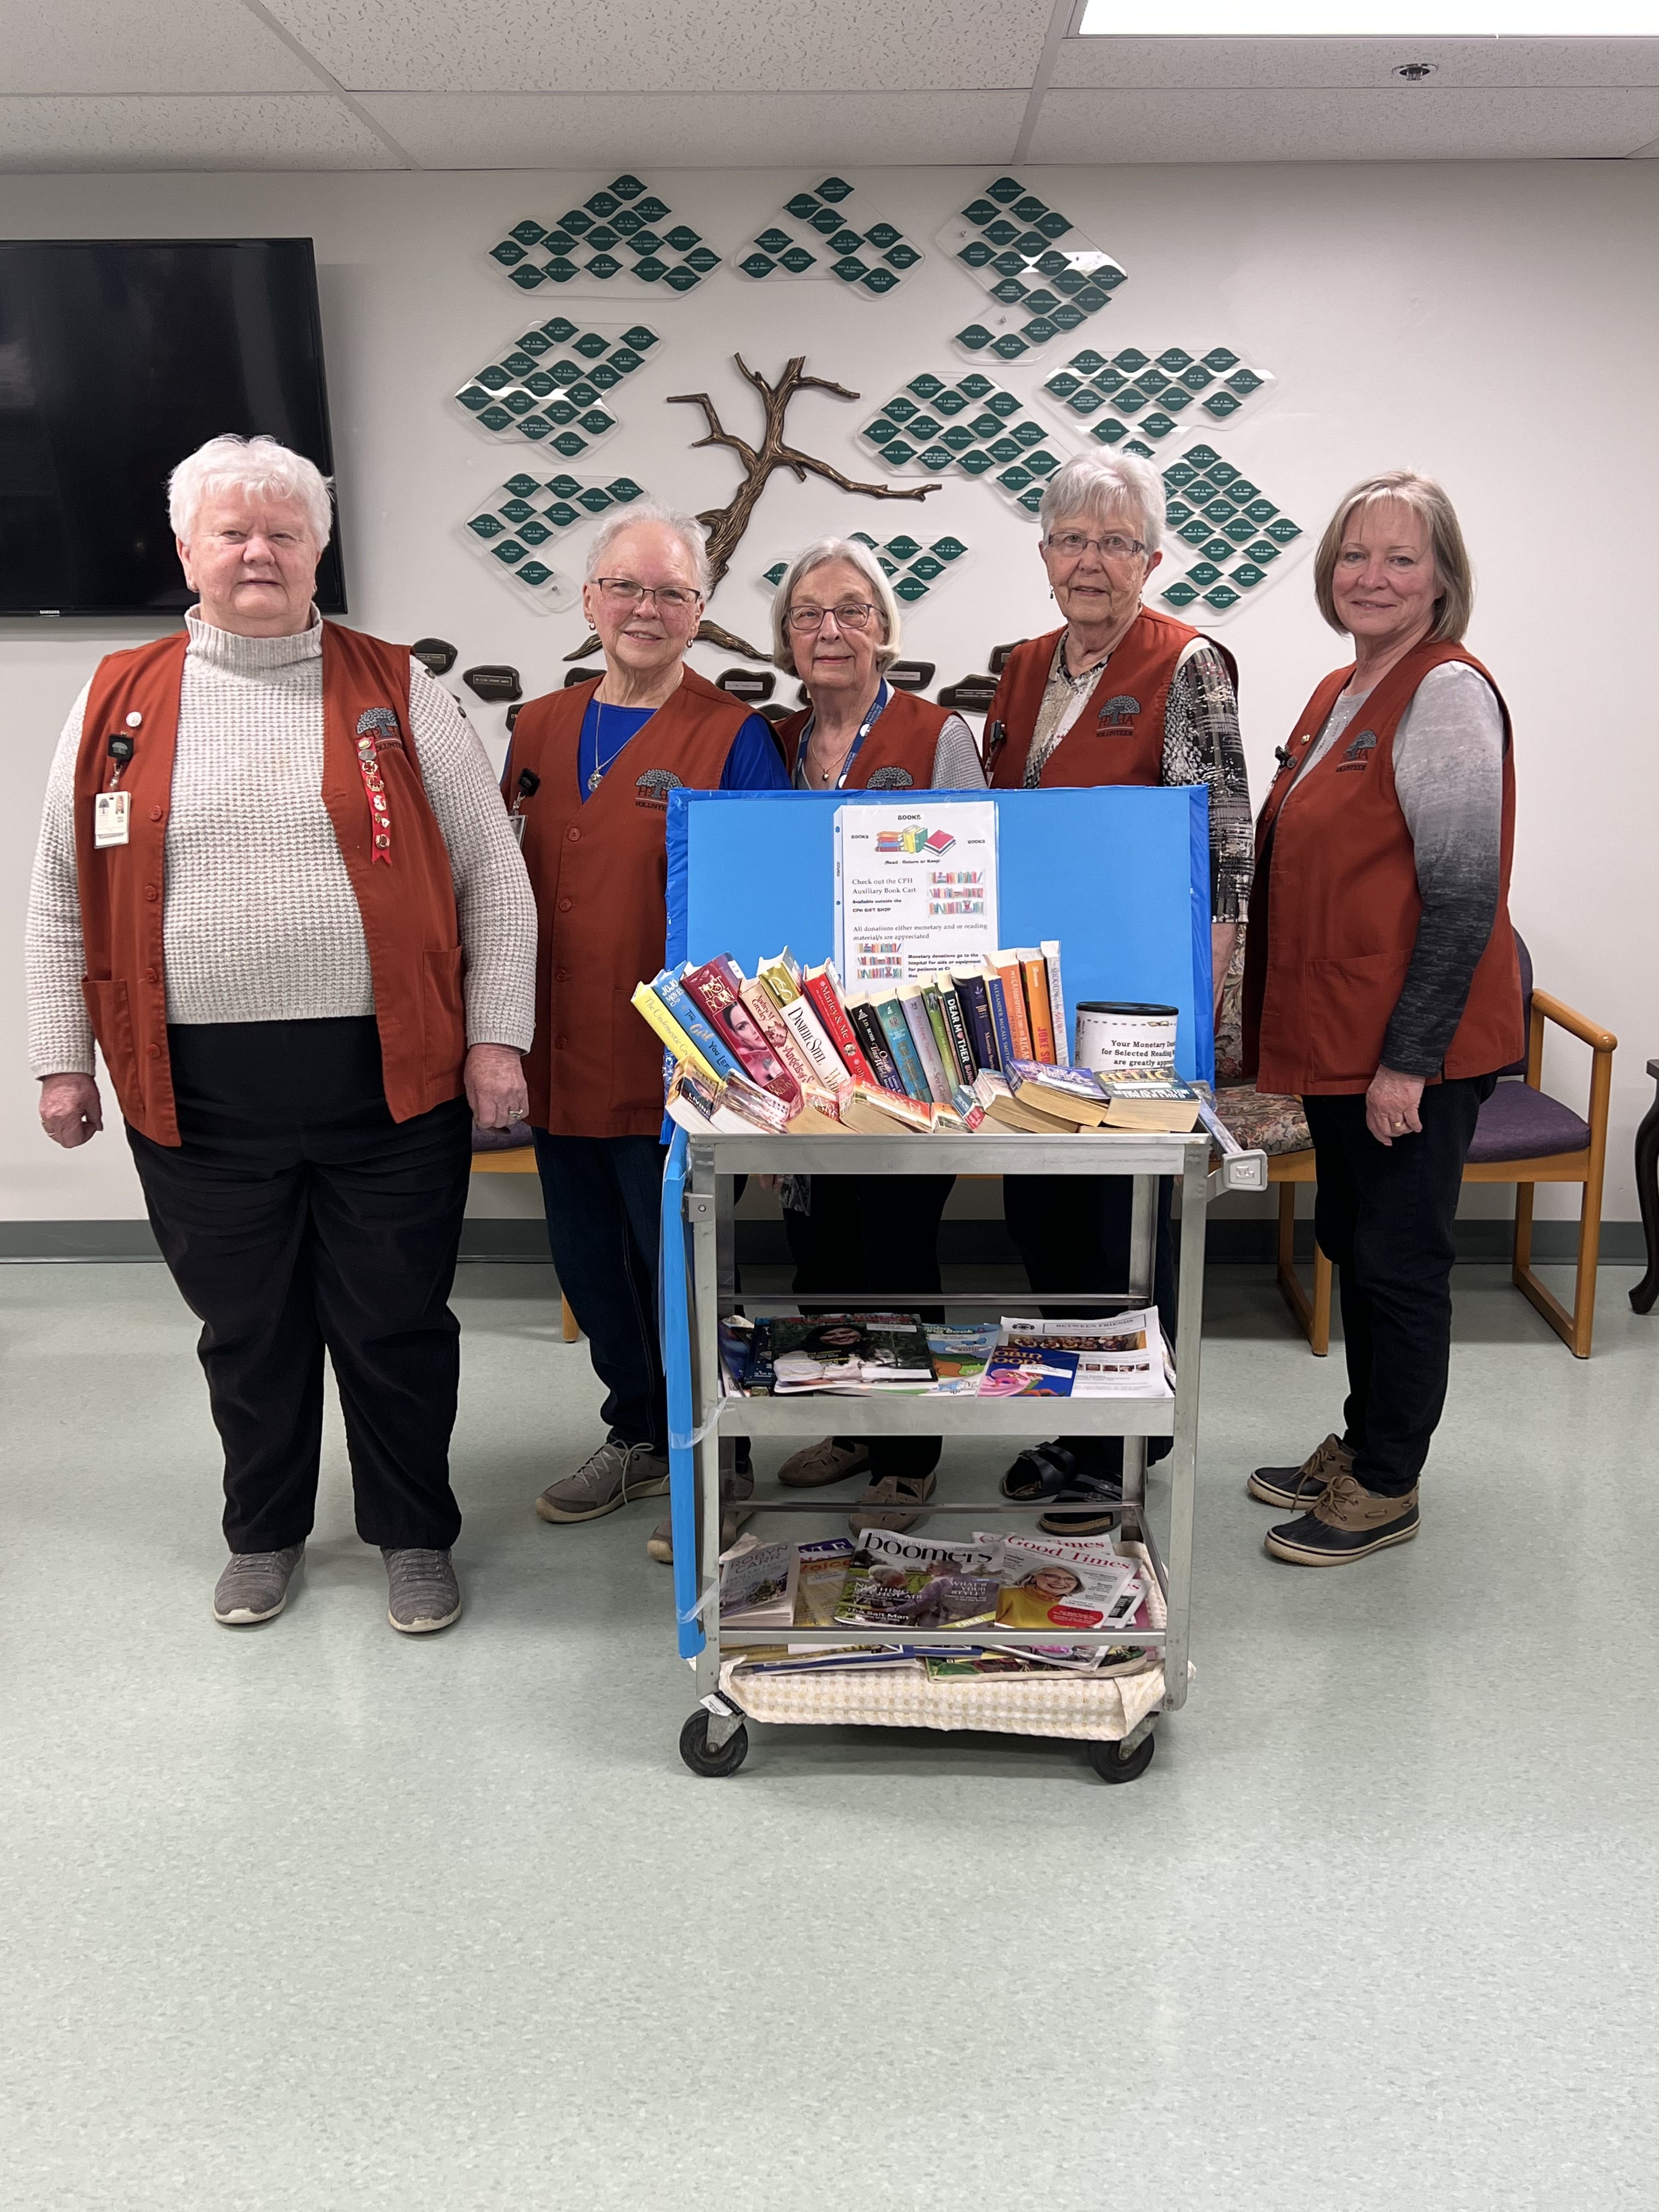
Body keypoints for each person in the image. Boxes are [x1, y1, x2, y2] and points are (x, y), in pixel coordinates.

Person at [26, 434, 537, 1634]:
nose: (259, 550)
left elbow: (494, 882)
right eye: (233, 531)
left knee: (395, 1323)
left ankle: (414, 1534)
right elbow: (60, 887)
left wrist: (497, 1038)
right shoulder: (117, 697)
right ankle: (261, 1534)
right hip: (193, 1088)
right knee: (246, 1332)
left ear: (318, 548)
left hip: (391, 1078)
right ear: (187, 551)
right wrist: (61, 1058)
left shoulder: (399, 687)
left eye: (284, 530)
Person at [1242, 470, 1522, 1565]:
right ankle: (1362, 1442)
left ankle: (1390, 1482)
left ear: (1443, 580)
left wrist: (1409, 1062)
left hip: (1409, 1053)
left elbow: (1462, 895)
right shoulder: (1338, 689)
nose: (1373, 576)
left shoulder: (1446, 691)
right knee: (1356, 1245)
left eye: (1402, 558)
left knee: (1400, 1260)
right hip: (1341, 1038)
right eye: (1356, 555)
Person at [505, 504, 788, 1559]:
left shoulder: (733, 737)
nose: (645, 609)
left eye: (671, 593)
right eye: (625, 587)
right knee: (588, 1265)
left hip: (679, 1067)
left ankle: (721, 1456)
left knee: (682, 1266)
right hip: (555, 1054)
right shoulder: (536, 729)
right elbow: (502, 883)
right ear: (589, 601)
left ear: (701, 615)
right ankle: (637, 1434)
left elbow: (766, 916)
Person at [983, 452, 1250, 1532]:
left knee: (1121, 1230)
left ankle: (1129, 1446)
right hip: (1033, 1008)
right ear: (1044, 555)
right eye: (1070, 539)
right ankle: (1081, 1416)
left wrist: (1204, 1012)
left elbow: (1225, 852)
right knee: (1041, 1214)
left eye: (1115, 542)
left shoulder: (1188, 666)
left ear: (1152, 557)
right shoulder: (1022, 667)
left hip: (1136, 1020)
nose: (1091, 561)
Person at [765, 538, 986, 1534]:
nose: (831, 630)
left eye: (852, 610)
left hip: (907, 1044)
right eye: (810, 615)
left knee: (894, 1242)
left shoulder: (939, 736)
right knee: (815, 1239)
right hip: (803, 1039)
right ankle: (851, 1419)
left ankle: (909, 1450)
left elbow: (977, 883)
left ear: (885, 629)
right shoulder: (774, 743)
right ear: (786, 640)